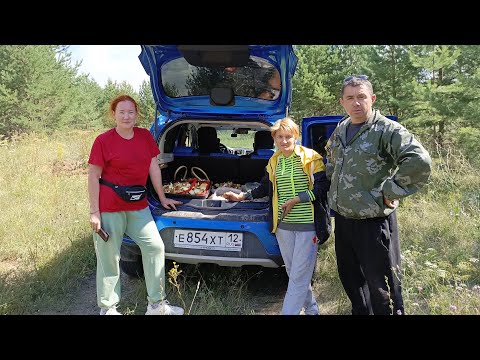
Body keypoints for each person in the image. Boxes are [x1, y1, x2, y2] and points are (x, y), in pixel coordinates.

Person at [325, 75, 432, 315]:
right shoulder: (342, 128)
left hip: (373, 223)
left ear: (372, 99)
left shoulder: (385, 129)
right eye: (350, 98)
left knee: (382, 287)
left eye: (362, 97)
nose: (356, 103)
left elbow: (419, 160)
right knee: (352, 281)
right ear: (342, 102)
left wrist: (391, 191)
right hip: (344, 219)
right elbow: (332, 159)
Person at [88, 94, 184, 315]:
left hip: (138, 206)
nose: (126, 116)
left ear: (136, 114)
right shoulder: (103, 141)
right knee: (109, 257)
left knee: (154, 247)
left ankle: (157, 305)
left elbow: (154, 169)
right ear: (114, 114)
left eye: (130, 112)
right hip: (109, 207)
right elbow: (93, 176)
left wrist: (162, 198)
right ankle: (108, 308)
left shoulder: (144, 137)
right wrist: (95, 212)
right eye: (122, 112)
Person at [223, 117, 331, 315]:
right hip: (283, 225)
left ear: (296, 136)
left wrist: (297, 199)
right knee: (294, 273)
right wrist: (242, 196)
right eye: (280, 137)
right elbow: (266, 187)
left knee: (299, 275)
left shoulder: (311, 158)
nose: (284, 141)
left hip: (307, 224)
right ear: (274, 138)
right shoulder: (274, 161)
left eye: (288, 136)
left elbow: (323, 187)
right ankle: (313, 310)